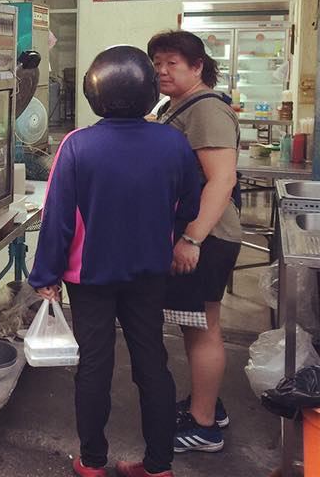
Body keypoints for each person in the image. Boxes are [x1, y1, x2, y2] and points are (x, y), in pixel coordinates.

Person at [29, 45, 202, 477]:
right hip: (149, 270)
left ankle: (92, 462)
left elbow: (57, 219)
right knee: (152, 362)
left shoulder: (76, 146)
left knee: (94, 364)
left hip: (89, 277)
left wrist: (45, 275)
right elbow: (190, 204)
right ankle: (159, 465)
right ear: (149, 92)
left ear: (93, 93)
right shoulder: (173, 142)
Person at [148, 29, 242, 455]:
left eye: (172, 63)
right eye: (157, 63)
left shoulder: (206, 109)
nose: (162, 71)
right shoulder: (179, 105)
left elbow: (223, 180)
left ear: (197, 66)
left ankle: (204, 427)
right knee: (196, 325)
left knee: (202, 328)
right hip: (200, 234)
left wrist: (191, 238)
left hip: (207, 235)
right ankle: (208, 404)